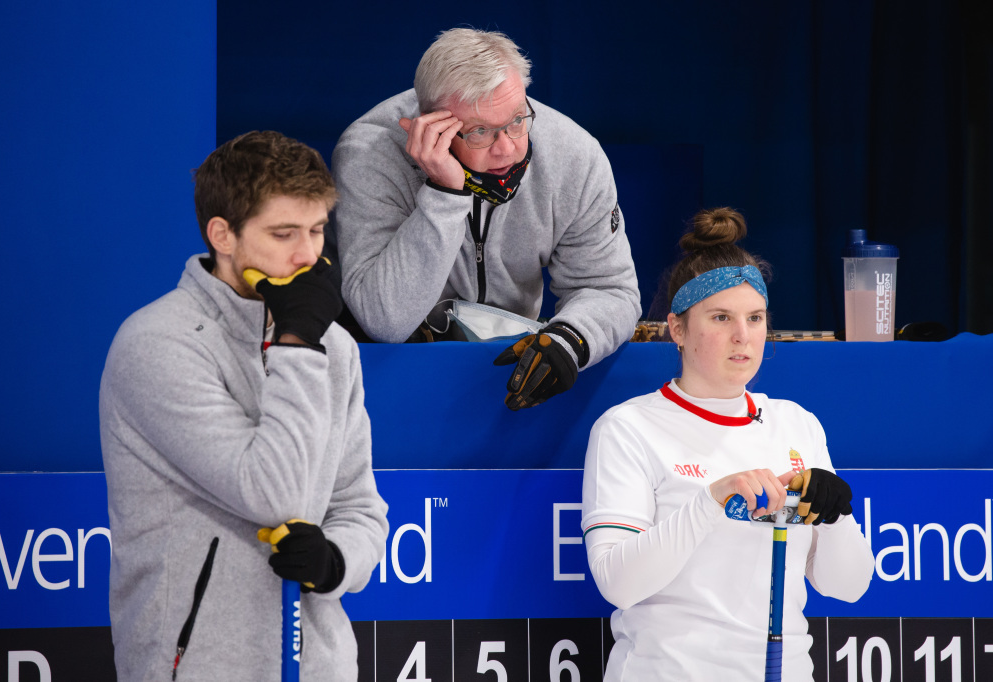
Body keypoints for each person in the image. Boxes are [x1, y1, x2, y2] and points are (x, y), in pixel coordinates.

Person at [99, 131, 388, 681]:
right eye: (284, 234)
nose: (309, 256)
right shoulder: (157, 344)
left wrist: (335, 562)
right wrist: (297, 343)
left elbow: (359, 505)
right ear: (222, 235)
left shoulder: (335, 347)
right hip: (196, 666)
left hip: (321, 666)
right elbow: (270, 492)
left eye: (318, 230)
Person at [581, 208, 874, 681]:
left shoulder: (796, 424)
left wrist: (835, 517)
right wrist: (711, 499)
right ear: (677, 329)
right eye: (721, 318)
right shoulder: (628, 427)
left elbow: (850, 587)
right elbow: (618, 582)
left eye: (755, 318)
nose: (743, 336)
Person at [330, 28, 641, 410]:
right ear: (433, 126)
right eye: (480, 131)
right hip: (397, 382)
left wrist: (572, 337)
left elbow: (610, 288)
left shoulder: (575, 155)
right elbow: (385, 321)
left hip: (509, 371)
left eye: (516, 119)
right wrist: (444, 193)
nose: (508, 147)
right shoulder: (370, 153)